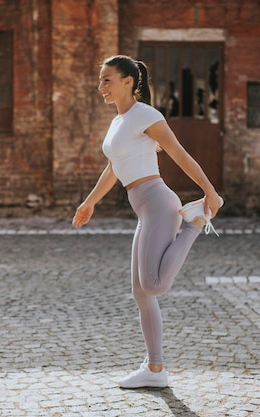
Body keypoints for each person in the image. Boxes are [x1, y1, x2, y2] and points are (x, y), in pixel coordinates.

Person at [72, 55, 223, 389]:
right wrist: (90, 202)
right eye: (100, 80)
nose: (101, 87)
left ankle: (194, 223)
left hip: (158, 203)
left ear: (129, 81)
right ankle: (155, 370)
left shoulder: (146, 115)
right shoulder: (119, 121)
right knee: (141, 293)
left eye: (107, 79)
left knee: (154, 285)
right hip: (145, 209)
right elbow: (113, 167)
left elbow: (179, 153)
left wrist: (209, 191)